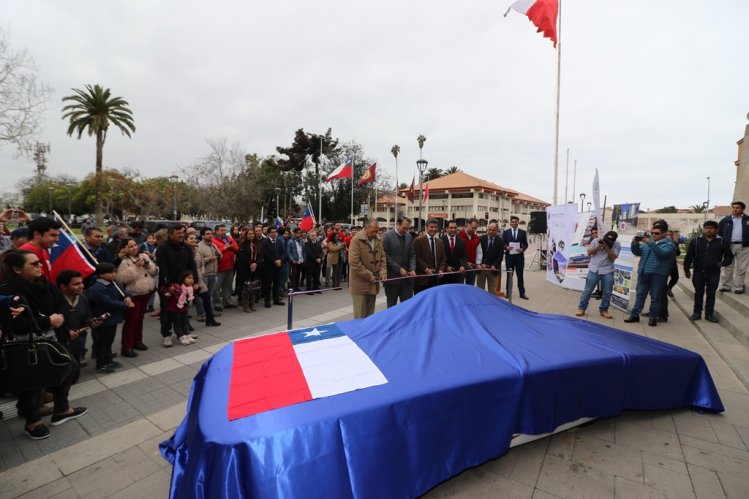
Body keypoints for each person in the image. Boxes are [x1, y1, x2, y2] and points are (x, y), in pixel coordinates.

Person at [0, 250, 88, 440]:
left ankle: (62, 409)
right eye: (34, 264)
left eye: (39, 262)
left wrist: (61, 319)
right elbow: (16, 324)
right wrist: (48, 321)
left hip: (54, 340)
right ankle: (33, 423)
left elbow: (60, 303)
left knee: (67, 370)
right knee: (31, 384)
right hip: (26, 346)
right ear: (16, 269)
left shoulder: (43, 283)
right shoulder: (8, 291)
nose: (40, 266)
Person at [624, 223, 677, 326]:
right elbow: (638, 252)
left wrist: (650, 243)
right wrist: (634, 244)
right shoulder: (648, 243)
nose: (653, 235)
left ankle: (653, 318)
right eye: (652, 233)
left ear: (664, 233)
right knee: (640, 295)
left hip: (658, 275)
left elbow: (662, 254)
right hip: (643, 273)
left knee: (656, 297)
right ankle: (635, 315)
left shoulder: (670, 245)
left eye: (656, 233)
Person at [87, 262, 134, 372]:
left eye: (114, 272)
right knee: (102, 341)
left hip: (112, 318)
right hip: (103, 319)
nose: (113, 274)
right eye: (110, 273)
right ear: (101, 274)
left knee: (109, 340)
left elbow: (123, 293)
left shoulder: (113, 283)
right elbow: (107, 302)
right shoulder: (97, 287)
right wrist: (125, 305)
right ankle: (101, 363)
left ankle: (108, 359)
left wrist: (128, 297)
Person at [156, 224, 198, 347]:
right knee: (167, 311)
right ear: (170, 234)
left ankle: (185, 332)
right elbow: (162, 268)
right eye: (178, 233)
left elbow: (192, 265)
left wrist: (194, 281)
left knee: (183, 310)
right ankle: (166, 335)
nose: (181, 235)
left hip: (184, 285)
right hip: (169, 286)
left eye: (182, 232)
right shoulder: (162, 248)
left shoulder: (186, 247)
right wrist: (168, 285)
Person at [684, 221, 733, 323]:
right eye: (706, 228)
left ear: (716, 230)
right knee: (698, 293)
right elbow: (689, 256)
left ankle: (709, 314)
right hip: (698, 272)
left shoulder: (722, 242)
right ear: (703, 229)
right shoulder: (696, 241)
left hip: (714, 272)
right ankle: (697, 313)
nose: (708, 230)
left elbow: (729, 256)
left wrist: (723, 263)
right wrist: (686, 269)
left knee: (711, 294)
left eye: (711, 228)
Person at [116, 238, 157, 357]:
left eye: (135, 245)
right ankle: (126, 347)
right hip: (133, 295)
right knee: (131, 321)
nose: (134, 248)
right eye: (130, 246)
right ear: (125, 249)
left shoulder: (144, 255)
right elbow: (122, 279)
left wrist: (148, 264)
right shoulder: (124, 261)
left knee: (140, 319)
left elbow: (154, 271)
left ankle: (137, 341)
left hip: (146, 292)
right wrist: (136, 267)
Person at [57, 269, 98, 368]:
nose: (82, 286)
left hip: (79, 339)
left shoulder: (82, 298)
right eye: (76, 284)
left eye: (82, 282)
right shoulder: (55, 302)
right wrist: (66, 331)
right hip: (62, 344)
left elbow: (87, 317)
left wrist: (92, 322)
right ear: (63, 286)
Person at [575, 230, 621, 319]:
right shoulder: (596, 240)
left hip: (607, 270)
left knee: (607, 292)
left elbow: (614, 257)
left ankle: (604, 310)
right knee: (588, 291)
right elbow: (589, 253)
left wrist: (606, 247)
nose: (607, 241)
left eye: (610, 241)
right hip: (594, 269)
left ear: (614, 240)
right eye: (606, 239)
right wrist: (598, 247)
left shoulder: (617, 244)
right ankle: (581, 308)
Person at [348, 220, 387, 319]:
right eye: (373, 231)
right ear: (365, 228)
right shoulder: (356, 240)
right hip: (360, 283)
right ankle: (358, 334)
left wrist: (383, 273)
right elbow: (354, 262)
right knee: (359, 315)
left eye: (377, 231)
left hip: (373, 283)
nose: (375, 234)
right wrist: (369, 275)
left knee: (370, 315)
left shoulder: (378, 240)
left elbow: (383, 258)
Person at [185, 231, 221, 325]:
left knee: (207, 297)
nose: (193, 240)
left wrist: (202, 271)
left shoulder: (197, 249)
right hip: (188, 279)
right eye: (191, 238)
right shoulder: (184, 250)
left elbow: (201, 263)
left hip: (199, 277)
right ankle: (187, 324)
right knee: (187, 301)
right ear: (186, 240)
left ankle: (210, 319)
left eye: (194, 238)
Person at [381, 217, 416, 307]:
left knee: (407, 306)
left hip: (407, 279)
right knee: (392, 306)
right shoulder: (387, 236)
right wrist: (399, 269)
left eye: (408, 228)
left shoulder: (409, 236)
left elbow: (412, 255)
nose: (406, 230)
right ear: (397, 224)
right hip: (392, 279)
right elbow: (385, 256)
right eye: (404, 228)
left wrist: (412, 269)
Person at [718, 201, 749, 294]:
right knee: (727, 266)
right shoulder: (725, 220)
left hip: (744, 246)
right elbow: (719, 234)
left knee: (741, 268)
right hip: (728, 246)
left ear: (743, 209)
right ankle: (726, 286)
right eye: (733, 207)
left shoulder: (747, 220)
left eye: (737, 208)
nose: (735, 209)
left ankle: (738, 287)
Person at [161, 270, 198, 345]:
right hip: (174, 309)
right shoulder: (176, 286)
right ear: (183, 278)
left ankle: (187, 334)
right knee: (177, 323)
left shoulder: (190, 288)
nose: (191, 280)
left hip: (184, 308)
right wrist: (168, 292)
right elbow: (163, 290)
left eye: (192, 278)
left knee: (185, 322)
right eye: (189, 278)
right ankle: (181, 336)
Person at [19, 217, 61, 282]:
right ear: (37, 234)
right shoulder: (25, 254)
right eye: (53, 235)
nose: (57, 239)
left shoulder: (43, 249)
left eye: (58, 236)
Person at [413, 219, 446, 294]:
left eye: (436, 227)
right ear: (426, 227)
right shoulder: (418, 240)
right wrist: (426, 269)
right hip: (422, 280)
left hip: (436, 279)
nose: (434, 229)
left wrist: (441, 270)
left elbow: (443, 258)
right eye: (431, 227)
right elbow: (416, 257)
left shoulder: (440, 242)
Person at [212, 224, 239, 309]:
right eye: (222, 230)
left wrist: (231, 247)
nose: (224, 232)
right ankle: (217, 304)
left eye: (225, 230)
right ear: (216, 231)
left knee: (228, 286)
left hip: (230, 267)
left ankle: (227, 302)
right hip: (219, 268)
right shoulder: (213, 240)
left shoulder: (229, 238)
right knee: (216, 288)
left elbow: (237, 249)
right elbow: (213, 253)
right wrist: (223, 249)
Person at [196, 228, 220, 320]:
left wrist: (219, 254)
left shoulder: (213, 245)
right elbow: (198, 261)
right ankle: (201, 314)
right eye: (208, 234)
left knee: (209, 295)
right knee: (201, 296)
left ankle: (210, 312)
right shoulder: (199, 247)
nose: (210, 235)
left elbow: (218, 256)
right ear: (202, 236)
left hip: (214, 274)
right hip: (204, 275)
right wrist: (208, 259)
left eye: (211, 234)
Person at [502, 216, 529, 299]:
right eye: (513, 221)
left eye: (516, 221)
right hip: (509, 257)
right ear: (510, 222)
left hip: (519, 257)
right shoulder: (506, 232)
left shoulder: (523, 232)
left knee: (520, 275)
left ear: (518, 222)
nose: (514, 223)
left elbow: (526, 244)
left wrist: (522, 249)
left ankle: (522, 293)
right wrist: (506, 247)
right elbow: (502, 243)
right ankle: (508, 292)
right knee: (509, 275)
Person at [260, 226, 287, 308]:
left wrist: (280, 260)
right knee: (268, 284)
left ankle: (276, 299)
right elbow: (266, 254)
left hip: (278, 266)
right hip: (269, 266)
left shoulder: (279, 241)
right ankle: (267, 301)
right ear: (268, 233)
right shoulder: (265, 242)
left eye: (275, 231)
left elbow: (284, 252)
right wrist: (274, 261)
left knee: (277, 283)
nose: (274, 233)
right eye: (272, 232)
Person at [235, 228, 260, 313]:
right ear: (246, 235)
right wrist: (250, 264)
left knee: (253, 286)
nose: (251, 235)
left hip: (255, 268)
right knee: (245, 287)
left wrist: (256, 263)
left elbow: (261, 255)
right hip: (245, 268)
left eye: (252, 234)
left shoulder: (257, 244)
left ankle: (252, 304)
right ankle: (245, 306)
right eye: (249, 234)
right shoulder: (243, 244)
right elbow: (242, 256)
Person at [477, 222, 504, 293]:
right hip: (481, 269)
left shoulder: (500, 241)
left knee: (492, 290)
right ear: (487, 229)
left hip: (493, 270)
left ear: (497, 230)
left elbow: (500, 256)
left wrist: (494, 265)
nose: (491, 232)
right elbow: (478, 253)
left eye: (493, 230)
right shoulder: (481, 239)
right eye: (489, 229)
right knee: (480, 290)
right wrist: (480, 263)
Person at [440, 220, 467, 285]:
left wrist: (463, 266)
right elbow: (439, 257)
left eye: (455, 228)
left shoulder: (462, 242)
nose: (453, 229)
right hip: (444, 275)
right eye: (451, 228)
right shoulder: (440, 241)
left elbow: (464, 256)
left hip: (457, 275)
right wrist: (446, 267)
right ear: (446, 229)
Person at [458, 218, 482, 286]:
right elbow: (456, 254)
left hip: (472, 267)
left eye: (475, 228)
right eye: (472, 228)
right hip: (461, 267)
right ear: (467, 225)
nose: (474, 230)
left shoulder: (477, 238)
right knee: (460, 287)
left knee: (470, 287)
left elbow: (479, 252)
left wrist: (478, 263)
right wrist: (465, 263)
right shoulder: (458, 236)